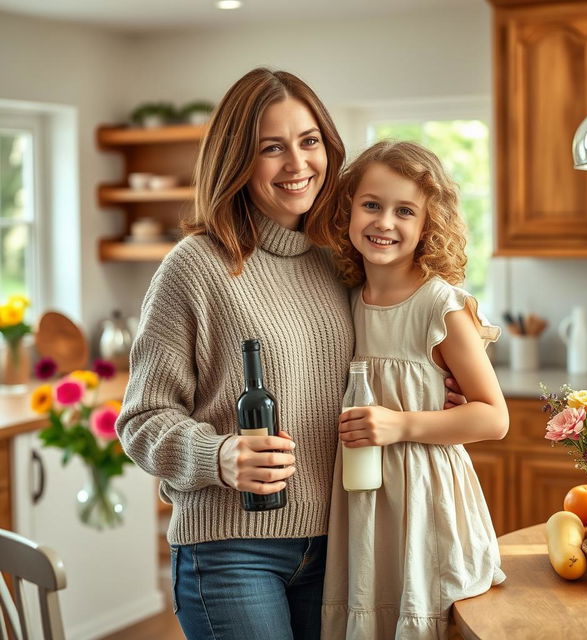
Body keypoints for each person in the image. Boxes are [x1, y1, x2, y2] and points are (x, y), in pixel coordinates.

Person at [116, 68, 465, 640]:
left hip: (342, 543)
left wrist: (428, 390)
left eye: (309, 142)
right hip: (230, 551)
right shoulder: (195, 267)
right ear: (237, 160)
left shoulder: (342, 260)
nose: (297, 164)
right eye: (271, 148)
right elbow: (141, 420)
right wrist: (219, 454)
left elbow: (370, 366)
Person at [321, 141, 509, 640]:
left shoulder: (438, 304)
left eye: (405, 211)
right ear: (346, 211)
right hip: (364, 502)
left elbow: (493, 417)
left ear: (428, 224)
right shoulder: (345, 299)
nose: (385, 222)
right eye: (371, 205)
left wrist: (402, 423)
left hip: (427, 498)